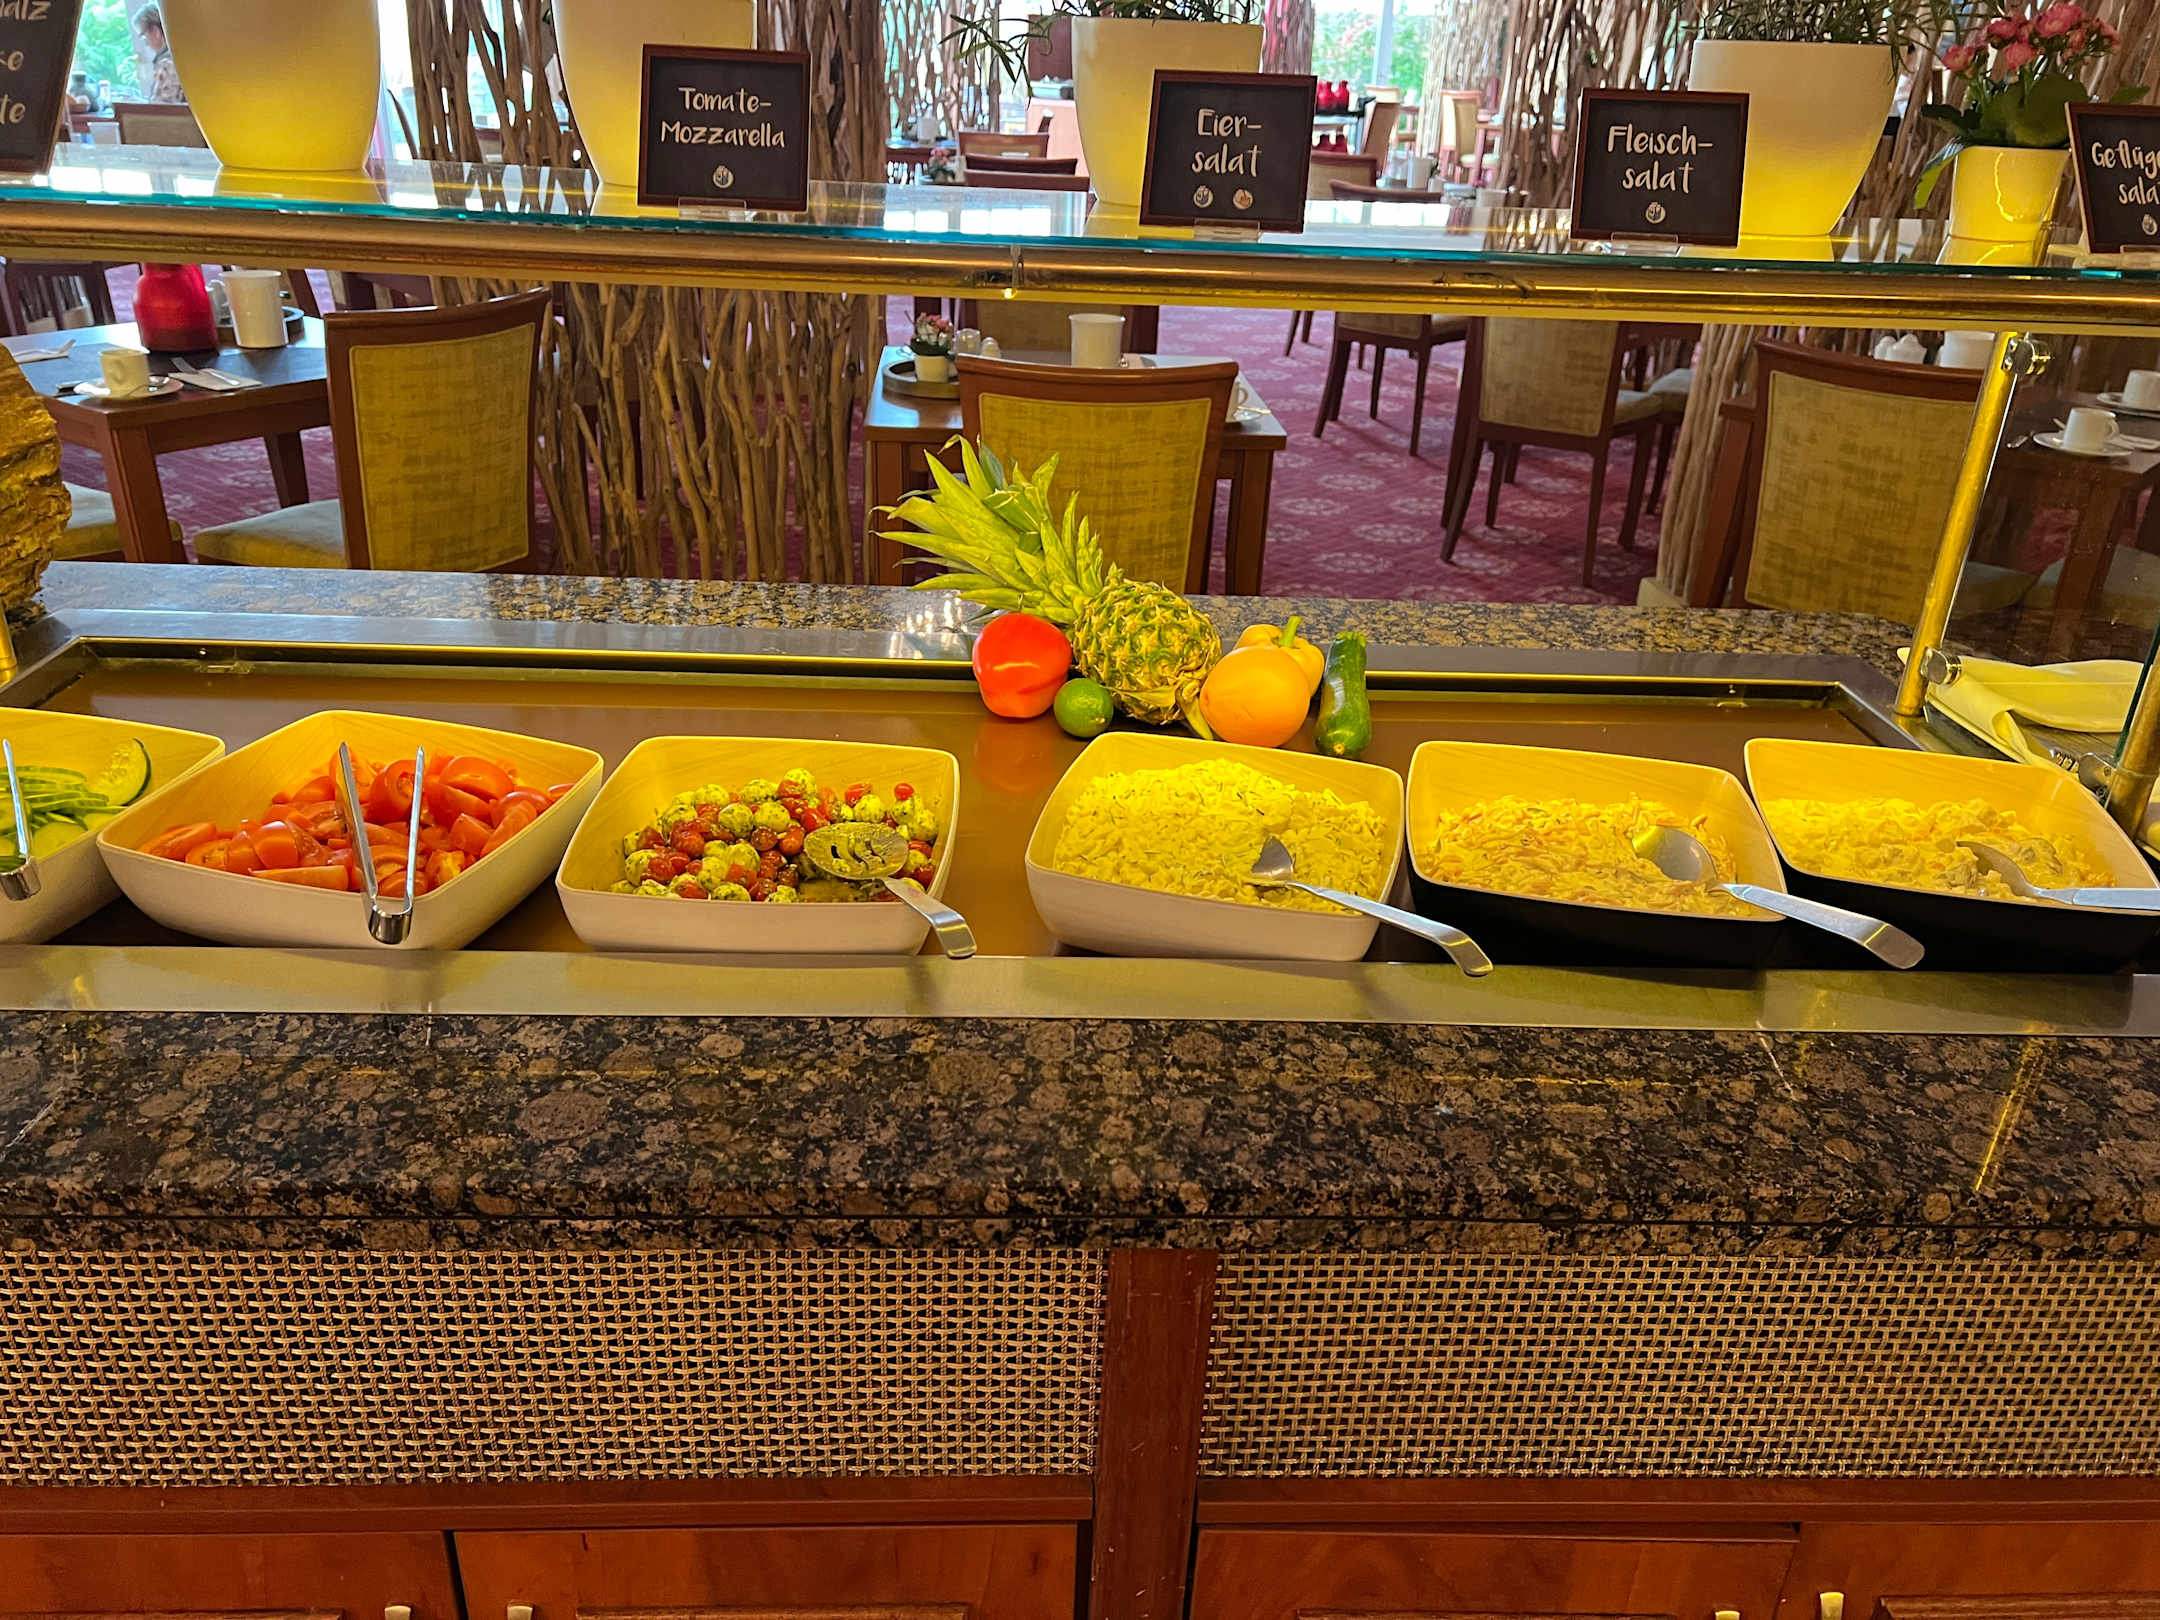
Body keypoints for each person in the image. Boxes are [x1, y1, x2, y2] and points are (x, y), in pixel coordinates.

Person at [132, 3, 183, 104]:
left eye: (144, 36)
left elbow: (162, 107)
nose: (146, 43)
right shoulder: (182, 54)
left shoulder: (168, 64)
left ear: (156, 31)